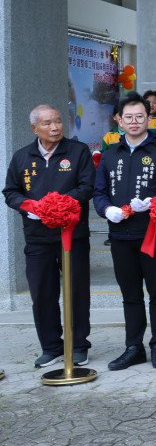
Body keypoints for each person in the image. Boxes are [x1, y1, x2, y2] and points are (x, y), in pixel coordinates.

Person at [93, 93, 156, 370]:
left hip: (153, 234)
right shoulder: (110, 155)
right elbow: (99, 192)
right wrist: (106, 210)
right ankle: (133, 347)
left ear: (149, 119)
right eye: (128, 117)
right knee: (130, 294)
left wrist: (154, 204)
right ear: (118, 120)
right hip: (120, 236)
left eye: (140, 117)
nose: (134, 122)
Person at [3, 105, 95, 368]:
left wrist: (61, 204)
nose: (55, 127)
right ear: (34, 128)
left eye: (57, 122)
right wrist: (30, 208)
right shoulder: (22, 158)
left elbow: (87, 186)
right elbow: (11, 191)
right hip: (37, 237)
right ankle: (51, 346)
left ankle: (78, 346)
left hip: (72, 235)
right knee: (42, 293)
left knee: (77, 291)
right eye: (47, 123)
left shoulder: (77, 152)